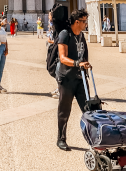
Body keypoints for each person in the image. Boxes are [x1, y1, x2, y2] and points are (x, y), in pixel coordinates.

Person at [56, 9, 90, 151]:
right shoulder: (65, 34)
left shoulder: (81, 35)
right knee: (64, 110)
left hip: (80, 77)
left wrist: (86, 64)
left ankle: (96, 138)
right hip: (66, 78)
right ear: (77, 22)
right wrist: (77, 63)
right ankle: (61, 139)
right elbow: (62, 58)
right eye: (84, 21)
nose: (86, 24)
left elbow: (85, 53)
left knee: (88, 109)